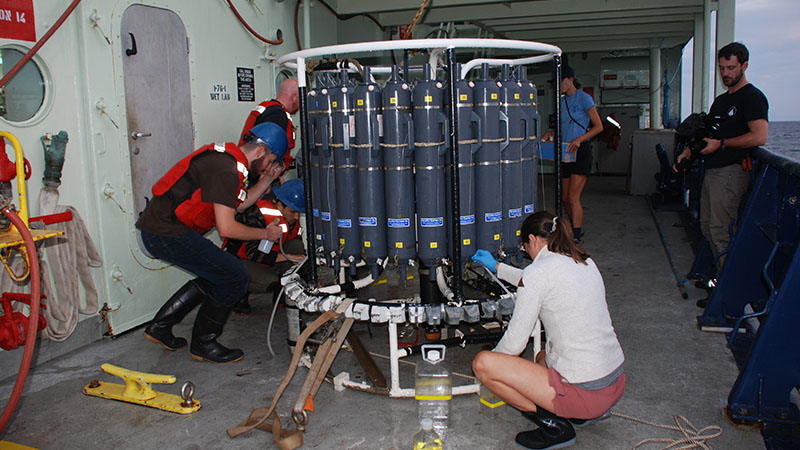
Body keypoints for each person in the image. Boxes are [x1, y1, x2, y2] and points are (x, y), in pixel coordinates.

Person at [471, 211, 625, 450]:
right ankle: (581, 415)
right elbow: (535, 278)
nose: (527, 254)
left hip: (587, 394)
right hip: (613, 382)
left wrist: (497, 364)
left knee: (483, 364)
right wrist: (497, 266)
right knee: (542, 357)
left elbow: (514, 345)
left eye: (525, 248)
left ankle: (555, 426)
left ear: (533, 239)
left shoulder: (539, 273)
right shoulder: (583, 261)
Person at [138, 122, 289, 363]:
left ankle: (160, 327)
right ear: (260, 152)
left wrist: (267, 181)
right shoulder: (227, 170)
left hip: (161, 228)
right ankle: (204, 343)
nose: (269, 167)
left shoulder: (229, 160)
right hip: (164, 232)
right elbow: (227, 228)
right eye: (271, 161)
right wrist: (265, 234)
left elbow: (238, 204)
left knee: (217, 272)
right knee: (236, 275)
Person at [675, 42, 768, 308]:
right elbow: (709, 136)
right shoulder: (723, 100)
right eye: (722, 68)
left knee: (721, 231)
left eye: (731, 68)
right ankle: (722, 281)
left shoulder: (752, 97)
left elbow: (760, 136)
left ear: (744, 66)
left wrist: (723, 145)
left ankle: (730, 294)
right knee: (707, 227)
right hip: (712, 172)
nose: (725, 73)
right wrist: (689, 153)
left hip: (730, 173)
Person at [224, 179, 306, 315]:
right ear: (279, 205)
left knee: (297, 245)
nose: (297, 217)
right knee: (269, 281)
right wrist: (290, 257)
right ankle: (241, 295)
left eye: (299, 212)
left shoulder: (295, 218)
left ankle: (281, 294)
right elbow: (253, 254)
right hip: (244, 261)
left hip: (272, 257)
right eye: (292, 212)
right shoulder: (257, 214)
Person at [541, 65, 602, 243]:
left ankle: (576, 235)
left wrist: (580, 139)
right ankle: (573, 228)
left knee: (574, 197)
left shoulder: (584, 98)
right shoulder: (561, 101)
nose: (558, 85)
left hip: (580, 151)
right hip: (566, 151)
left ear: (570, 80)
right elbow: (562, 127)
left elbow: (599, 127)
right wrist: (550, 134)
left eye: (561, 81)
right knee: (565, 197)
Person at [238, 78, 299, 171]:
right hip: (258, 174)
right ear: (295, 97)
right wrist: (267, 178)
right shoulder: (278, 115)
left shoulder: (268, 108)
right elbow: (265, 152)